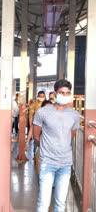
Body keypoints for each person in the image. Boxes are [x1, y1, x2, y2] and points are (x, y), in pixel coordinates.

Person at [33, 79, 80, 212]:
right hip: (47, 162)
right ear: (54, 93)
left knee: (60, 202)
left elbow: (71, 136)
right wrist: (49, 149)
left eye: (67, 93)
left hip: (65, 163)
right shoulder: (42, 112)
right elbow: (36, 137)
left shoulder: (74, 115)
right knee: (43, 202)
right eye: (61, 92)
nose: (64, 95)